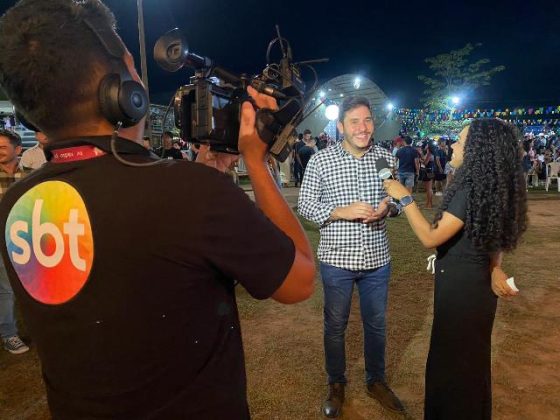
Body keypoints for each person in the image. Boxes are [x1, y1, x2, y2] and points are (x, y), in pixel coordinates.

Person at [0, 1, 315, 418]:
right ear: (122, 89)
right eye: (132, 65)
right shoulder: (190, 193)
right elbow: (298, 282)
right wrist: (257, 163)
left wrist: (205, 175)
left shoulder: (17, 205)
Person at [383, 119, 527, 420]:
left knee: (453, 368)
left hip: (462, 291)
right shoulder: (491, 185)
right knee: (469, 365)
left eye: (460, 141)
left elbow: (430, 238)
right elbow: (492, 237)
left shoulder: (470, 188)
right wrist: (494, 267)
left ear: (477, 149)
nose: (453, 146)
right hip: (475, 287)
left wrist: (405, 198)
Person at [298, 96, 404, 418]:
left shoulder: (384, 158)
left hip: (376, 259)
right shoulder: (322, 160)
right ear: (341, 126)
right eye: (355, 121)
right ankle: (336, 383)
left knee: (376, 324)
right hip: (337, 260)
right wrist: (339, 211)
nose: (363, 127)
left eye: (367, 120)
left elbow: (398, 200)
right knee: (335, 325)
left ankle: (376, 381)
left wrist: (388, 207)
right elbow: (305, 204)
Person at [0, 129, 30, 354]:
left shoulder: (31, 175)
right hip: (2, 239)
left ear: (18, 149)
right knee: (6, 288)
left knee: (32, 286)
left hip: (25, 240)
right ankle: (9, 334)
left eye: (2, 147)